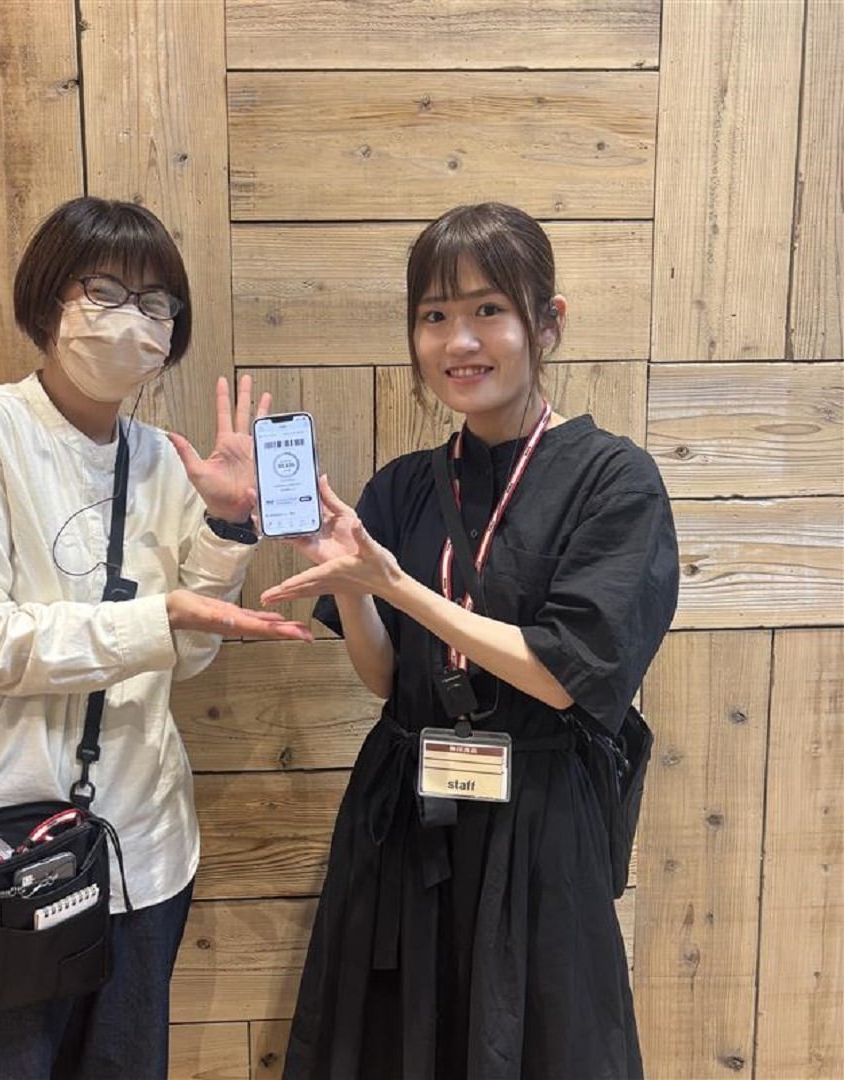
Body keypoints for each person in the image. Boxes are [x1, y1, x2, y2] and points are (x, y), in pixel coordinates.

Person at [0, 195, 310, 1079]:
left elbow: (187, 652)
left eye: (156, 304)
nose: (133, 320)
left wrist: (228, 530)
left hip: (140, 852)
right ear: (48, 302)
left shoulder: (164, 460)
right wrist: (161, 617)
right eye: (105, 291)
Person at [262, 202, 679, 1079]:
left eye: (488, 309)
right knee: (394, 1044)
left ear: (547, 323)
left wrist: (398, 586)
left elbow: (563, 676)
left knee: (541, 1044)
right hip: (406, 812)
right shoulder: (404, 486)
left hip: (540, 819)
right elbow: (386, 680)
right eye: (434, 315)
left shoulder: (614, 480)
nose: (459, 341)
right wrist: (351, 588)